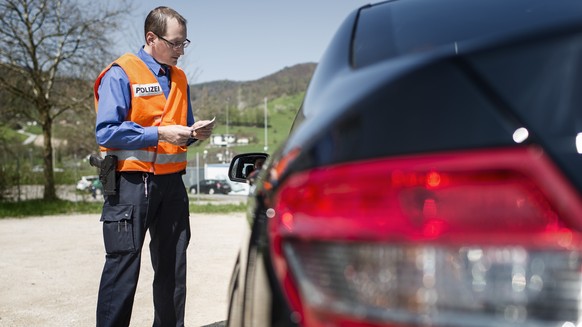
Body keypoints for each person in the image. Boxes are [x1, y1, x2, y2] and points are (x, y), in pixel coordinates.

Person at [93, 7, 214, 327]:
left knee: (173, 269)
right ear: (151, 38)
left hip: (172, 185)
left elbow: (180, 130)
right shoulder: (121, 73)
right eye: (175, 44)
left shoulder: (180, 78)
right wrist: (158, 133)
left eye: (184, 43)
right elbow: (106, 131)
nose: (181, 51)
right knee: (122, 269)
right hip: (130, 184)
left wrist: (193, 134)